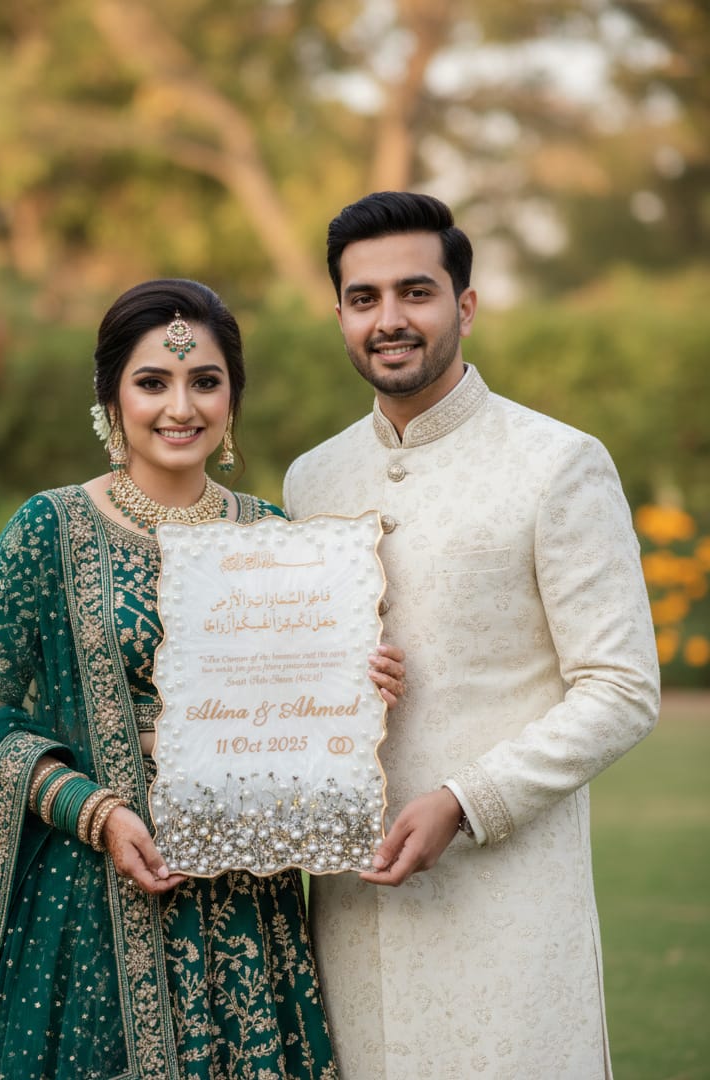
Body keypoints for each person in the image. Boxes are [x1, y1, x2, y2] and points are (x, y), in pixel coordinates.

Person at [0, 278, 405, 1080]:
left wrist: (358, 683)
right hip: (90, 896)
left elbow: (296, 708)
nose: (181, 406)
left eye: (206, 381)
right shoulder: (50, 528)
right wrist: (92, 811)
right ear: (109, 398)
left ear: (233, 399)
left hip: (244, 900)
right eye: (152, 381)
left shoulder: (271, 535)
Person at [283, 192, 660, 1079]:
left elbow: (621, 686)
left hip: (510, 910)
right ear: (339, 313)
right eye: (364, 297)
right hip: (349, 910)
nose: (390, 320)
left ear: (466, 305)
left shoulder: (558, 462)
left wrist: (465, 798)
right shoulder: (312, 477)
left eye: (416, 291)